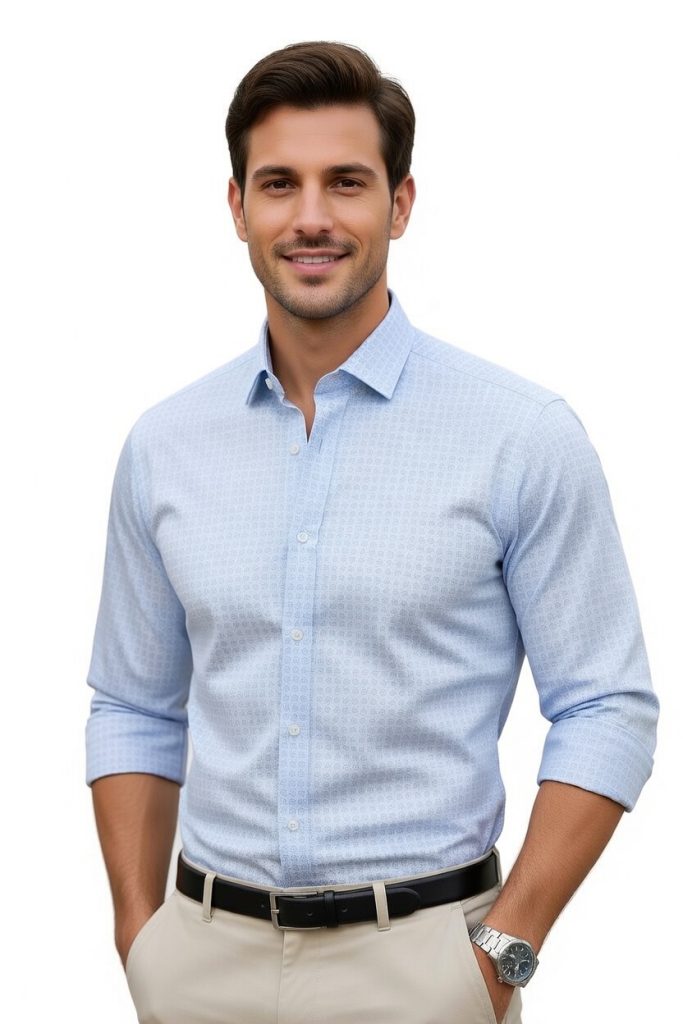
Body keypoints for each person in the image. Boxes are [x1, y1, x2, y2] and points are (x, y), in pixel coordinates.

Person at [85, 40, 659, 1024]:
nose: (310, 216)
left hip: (425, 972)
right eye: (279, 184)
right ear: (237, 208)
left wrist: (502, 950)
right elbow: (134, 703)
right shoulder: (164, 446)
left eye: (345, 182)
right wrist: (141, 935)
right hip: (199, 967)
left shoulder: (518, 436)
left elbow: (606, 706)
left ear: (399, 204)